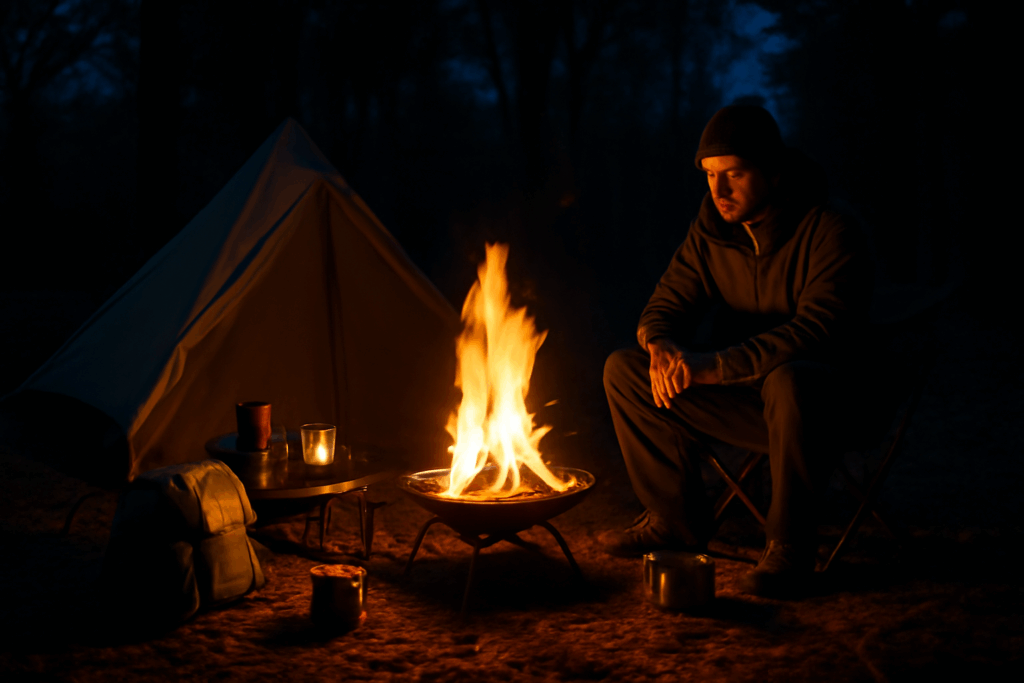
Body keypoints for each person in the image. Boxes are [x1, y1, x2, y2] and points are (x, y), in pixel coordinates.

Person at [600, 104, 872, 597]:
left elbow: (815, 330)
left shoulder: (830, 231)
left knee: (790, 379)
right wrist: (660, 345)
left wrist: (714, 365)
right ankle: (672, 520)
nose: (719, 191)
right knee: (625, 369)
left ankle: (790, 545)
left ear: (773, 172)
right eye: (709, 176)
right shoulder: (711, 235)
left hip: (825, 410)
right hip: (748, 405)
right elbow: (663, 306)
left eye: (735, 174)